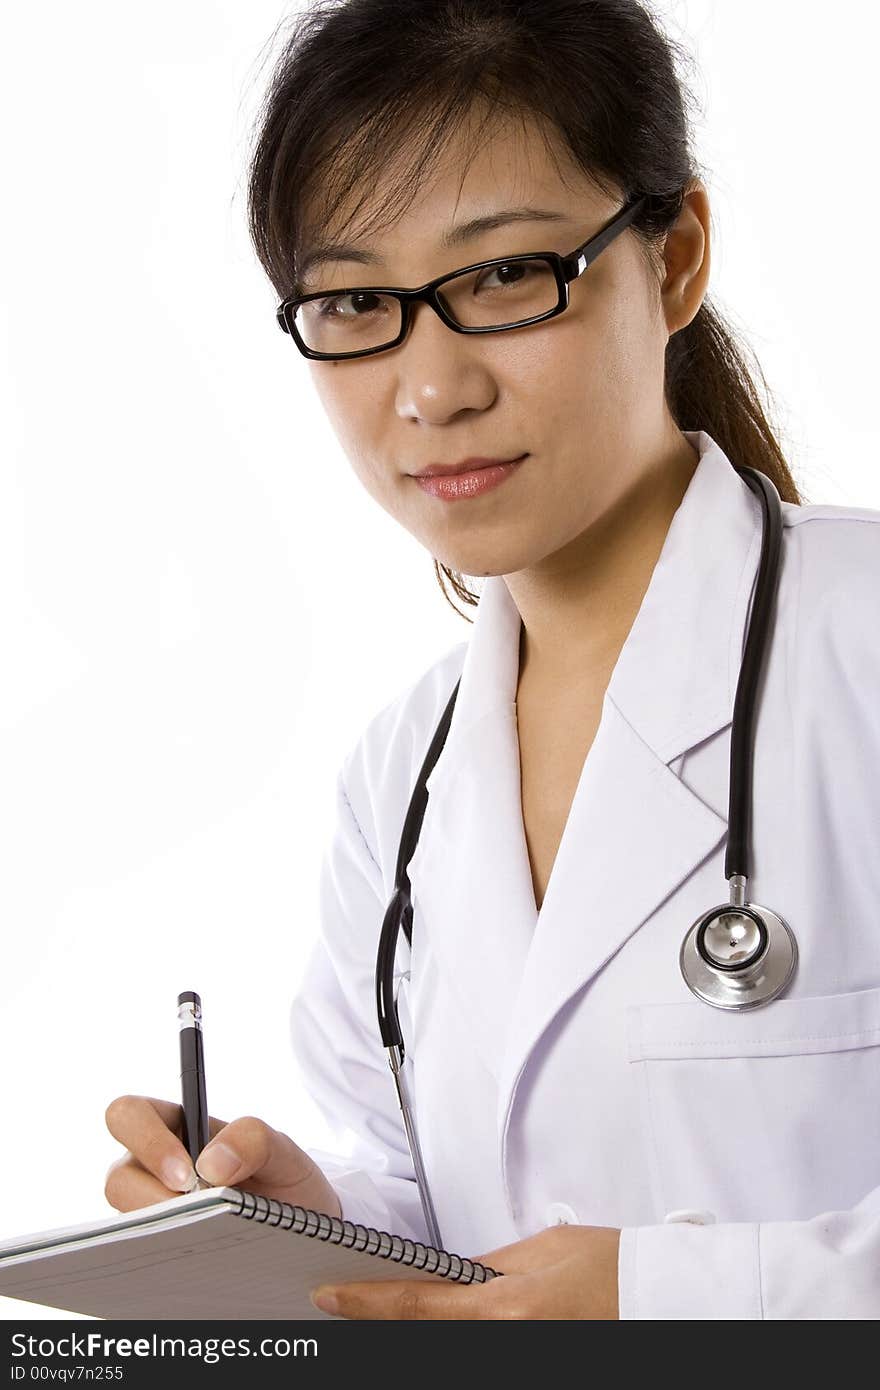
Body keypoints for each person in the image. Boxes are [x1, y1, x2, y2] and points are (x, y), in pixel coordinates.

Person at [103, 0, 880, 1319]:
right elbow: (458, 1227)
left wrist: (664, 1291)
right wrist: (321, 1235)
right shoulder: (396, 784)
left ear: (677, 257)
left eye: (507, 276)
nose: (432, 387)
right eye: (356, 300)